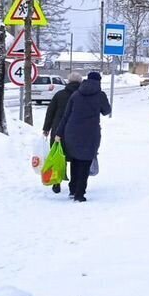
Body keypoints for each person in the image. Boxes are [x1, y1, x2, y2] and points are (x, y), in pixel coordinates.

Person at [52, 71, 112, 202]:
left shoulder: (76, 94)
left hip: (71, 132)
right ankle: (80, 193)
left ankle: (73, 190)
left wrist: (58, 133)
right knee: (85, 162)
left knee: (75, 160)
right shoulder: (100, 95)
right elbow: (106, 111)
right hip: (90, 133)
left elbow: (66, 116)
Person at [41, 72, 82, 194]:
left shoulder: (59, 95)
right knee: (75, 159)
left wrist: (46, 128)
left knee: (58, 157)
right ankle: (73, 185)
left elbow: (50, 112)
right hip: (76, 132)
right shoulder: (81, 95)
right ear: (80, 82)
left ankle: (56, 182)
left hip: (58, 131)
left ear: (68, 82)